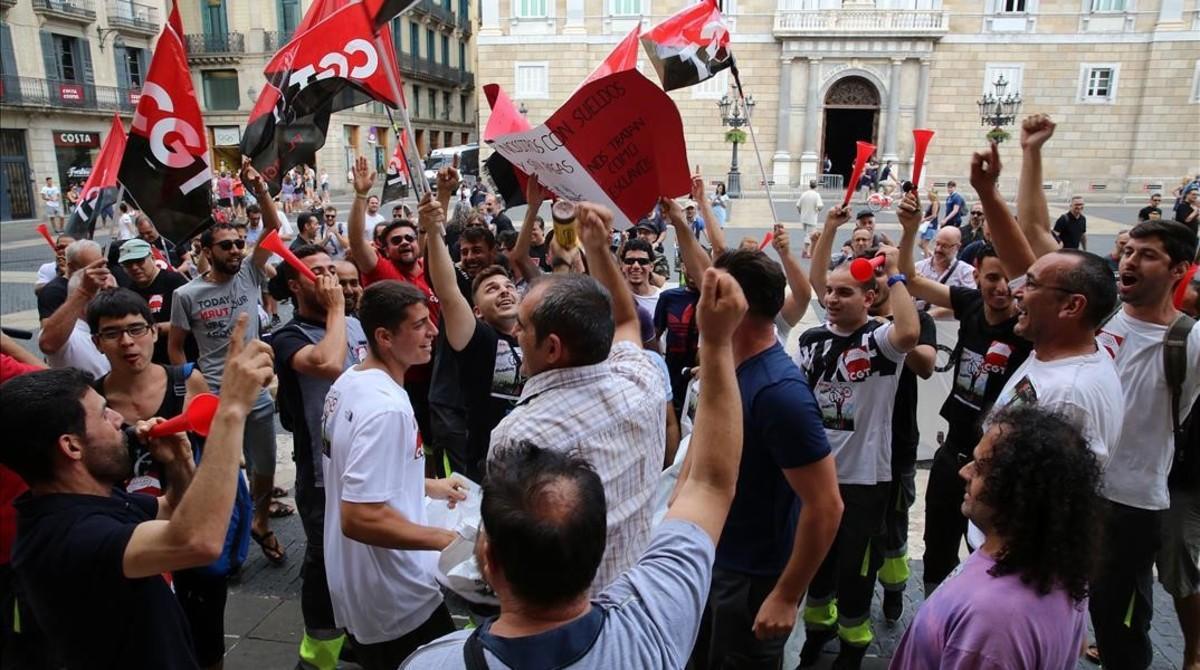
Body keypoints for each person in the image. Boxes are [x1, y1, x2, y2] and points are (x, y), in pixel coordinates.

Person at [401, 266, 749, 670]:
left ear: (490, 561)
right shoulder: (653, 626)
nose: (516, 332)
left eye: (524, 326)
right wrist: (719, 343)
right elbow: (709, 485)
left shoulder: (433, 663)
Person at [0, 314, 274, 669]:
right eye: (103, 415)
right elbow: (199, 541)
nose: (118, 419)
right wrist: (231, 411)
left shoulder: (89, 498)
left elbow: (175, 512)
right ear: (71, 447)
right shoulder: (66, 535)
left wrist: (179, 462)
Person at [488, 201, 668, 591]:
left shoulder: (517, 436)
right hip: (633, 596)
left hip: (565, 617)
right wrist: (599, 248)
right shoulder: (643, 380)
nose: (516, 333)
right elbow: (624, 320)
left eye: (522, 327)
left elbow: (507, 554)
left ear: (552, 348)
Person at [686, 250, 843, 669]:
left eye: (707, 294)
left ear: (731, 305)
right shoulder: (732, 368)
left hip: (750, 580)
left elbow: (826, 505)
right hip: (717, 563)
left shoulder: (778, 393)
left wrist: (787, 595)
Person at [87, 288, 242, 670]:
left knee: (206, 636)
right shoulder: (93, 403)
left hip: (192, 521)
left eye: (136, 329)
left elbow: (219, 450)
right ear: (97, 342)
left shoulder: (186, 381)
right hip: (134, 534)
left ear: (154, 333)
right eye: (112, 333)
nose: (127, 342)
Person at [795, 207, 922, 668]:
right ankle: (817, 632)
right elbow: (815, 282)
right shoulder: (811, 340)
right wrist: (829, 229)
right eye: (829, 291)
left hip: (867, 481)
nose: (831, 298)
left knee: (857, 570)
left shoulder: (880, 341)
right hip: (817, 477)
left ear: (869, 299)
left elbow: (911, 331)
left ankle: (854, 644)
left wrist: (898, 278)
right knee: (816, 565)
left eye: (844, 292)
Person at [321, 280, 466, 670]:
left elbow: (358, 475)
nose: (433, 331)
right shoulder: (387, 410)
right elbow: (359, 516)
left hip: (362, 586)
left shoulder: (349, 382)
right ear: (384, 337)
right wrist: (448, 541)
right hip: (396, 597)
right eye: (420, 325)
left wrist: (427, 485)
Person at [890, 405, 1101, 670]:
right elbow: (1076, 643)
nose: (964, 472)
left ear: (1016, 492)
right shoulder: (1057, 563)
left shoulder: (994, 623)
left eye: (979, 467)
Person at [895, 191, 1033, 591]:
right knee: (937, 547)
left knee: (988, 554)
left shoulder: (1029, 329)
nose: (1001, 287)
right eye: (992, 277)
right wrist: (909, 232)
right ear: (976, 276)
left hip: (999, 461)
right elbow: (912, 280)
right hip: (951, 451)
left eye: (1010, 278)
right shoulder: (969, 303)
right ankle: (936, 617)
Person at [1089, 220, 1199, 669]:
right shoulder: (1102, 312)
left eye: (1147, 254)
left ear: (1180, 270)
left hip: (1135, 507)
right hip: (1080, 494)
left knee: (1124, 629)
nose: (1129, 260)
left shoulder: (1189, 341)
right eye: (1128, 250)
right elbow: (1033, 243)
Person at [170, 162, 290, 565]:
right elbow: (176, 347)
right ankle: (226, 535)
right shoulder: (187, 294)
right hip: (214, 398)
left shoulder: (250, 276)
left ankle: (259, 521)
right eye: (227, 245)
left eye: (240, 243)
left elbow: (274, 235)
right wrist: (188, 387)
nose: (236, 250)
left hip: (255, 391)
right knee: (220, 472)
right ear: (206, 250)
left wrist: (261, 193)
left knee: (266, 467)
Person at [982, 124, 1124, 460]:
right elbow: (1029, 235)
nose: (1017, 291)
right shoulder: (1062, 349)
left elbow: (1061, 501)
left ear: (1072, 306)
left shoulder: (1069, 395)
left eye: (1030, 285)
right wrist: (989, 191)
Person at [270, 245, 367, 670]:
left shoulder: (354, 324)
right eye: (316, 272)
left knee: (362, 551)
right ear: (295, 285)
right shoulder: (287, 336)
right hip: (321, 469)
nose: (328, 277)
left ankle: (356, 633)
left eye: (332, 268)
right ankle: (319, 650)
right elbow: (328, 362)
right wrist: (336, 309)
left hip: (363, 457)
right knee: (324, 556)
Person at [419, 192, 524, 482]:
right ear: (476, 311)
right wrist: (431, 231)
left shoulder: (534, 340)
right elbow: (449, 293)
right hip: (479, 463)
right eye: (491, 289)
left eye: (507, 286)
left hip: (522, 462)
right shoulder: (480, 340)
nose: (503, 291)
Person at [38, 257, 115, 377]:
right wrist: (83, 292)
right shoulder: (71, 335)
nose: (111, 297)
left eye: (113, 290)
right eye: (101, 291)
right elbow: (48, 344)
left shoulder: (122, 329)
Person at [117, 239, 190, 365]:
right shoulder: (129, 292)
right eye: (128, 264)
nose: (134, 268)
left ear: (152, 257)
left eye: (139, 261)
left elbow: (194, 320)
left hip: (185, 355)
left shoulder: (174, 281)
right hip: (153, 361)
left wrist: (154, 329)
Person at [913, 226, 976, 316]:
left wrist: (931, 315)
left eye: (944, 246)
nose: (938, 249)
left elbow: (969, 304)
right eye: (937, 244)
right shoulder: (918, 267)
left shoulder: (967, 272)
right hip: (921, 326)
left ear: (957, 247)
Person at [621, 238, 664, 317]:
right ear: (623, 266)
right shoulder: (613, 297)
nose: (636, 266)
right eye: (630, 261)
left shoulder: (662, 299)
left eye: (642, 261)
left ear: (651, 267)